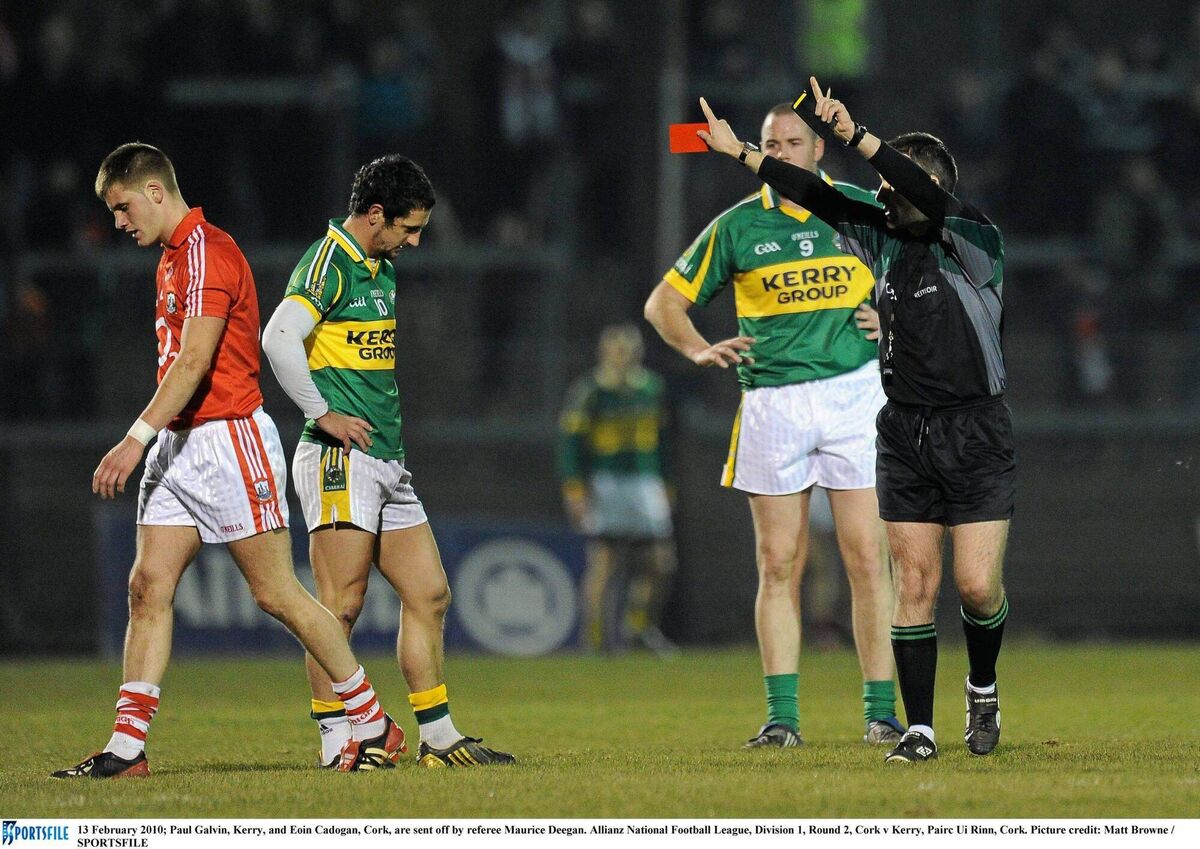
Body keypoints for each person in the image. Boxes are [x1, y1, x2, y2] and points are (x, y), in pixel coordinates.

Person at [54, 143, 403, 779]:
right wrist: (154, 439)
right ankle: (128, 748)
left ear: (155, 192)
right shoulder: (170, 258)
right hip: (178, 444)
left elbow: (194, 362)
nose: (118, 223)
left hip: (227, 439)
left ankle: (371, 717)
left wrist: (134, 438)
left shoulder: (210, 252)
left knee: (275, 593)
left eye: (122, 207)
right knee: (146, 587)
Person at [697, 77, 1013, 763]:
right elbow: (816, 193)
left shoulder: (972, 236)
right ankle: (919, 728)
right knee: (914, 579)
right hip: (904, 430)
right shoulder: (880, 238)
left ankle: (982, 685)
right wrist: (744, 154)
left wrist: (856, 136)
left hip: (976, 429)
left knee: (976, 585)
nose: (887, 197)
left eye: (899, 186)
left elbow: (916, 192)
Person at [644, 103, 902, 748]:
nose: (782, 151)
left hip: (854, 396)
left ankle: (882, 713)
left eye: (793, 142)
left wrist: (894, 318)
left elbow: (927, 271)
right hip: (773, 402)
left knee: (868, 559)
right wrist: (697, 348)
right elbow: (662, 304)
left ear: (819, 150)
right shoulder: (736, 227)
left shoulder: (856, 207)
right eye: (770, 143)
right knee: (779, 560)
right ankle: (782, 719)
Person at [261, 154, 514, 769]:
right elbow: (277, 337)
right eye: (409, 227)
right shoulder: (330, 263)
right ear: (376, 215)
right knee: (339, 606)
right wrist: (321, 412)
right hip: (338, 459)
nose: (416, 240)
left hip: (387, 461)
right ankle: (337, 741)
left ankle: (439, 737)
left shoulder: (379, 267)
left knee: (429, 593)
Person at [558, 323, 678, 655]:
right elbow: (570, 445)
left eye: (629, 349)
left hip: (645, 483)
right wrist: (575, 489)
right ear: (604, 352)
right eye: (616, 349)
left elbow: (663, 442)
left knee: (660, 562)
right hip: (607, 483)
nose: (623, 356)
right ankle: (595, 639)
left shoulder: (651, 388)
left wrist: (667, 482)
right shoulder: (591, 392)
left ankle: (637, 629)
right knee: (604, 562)